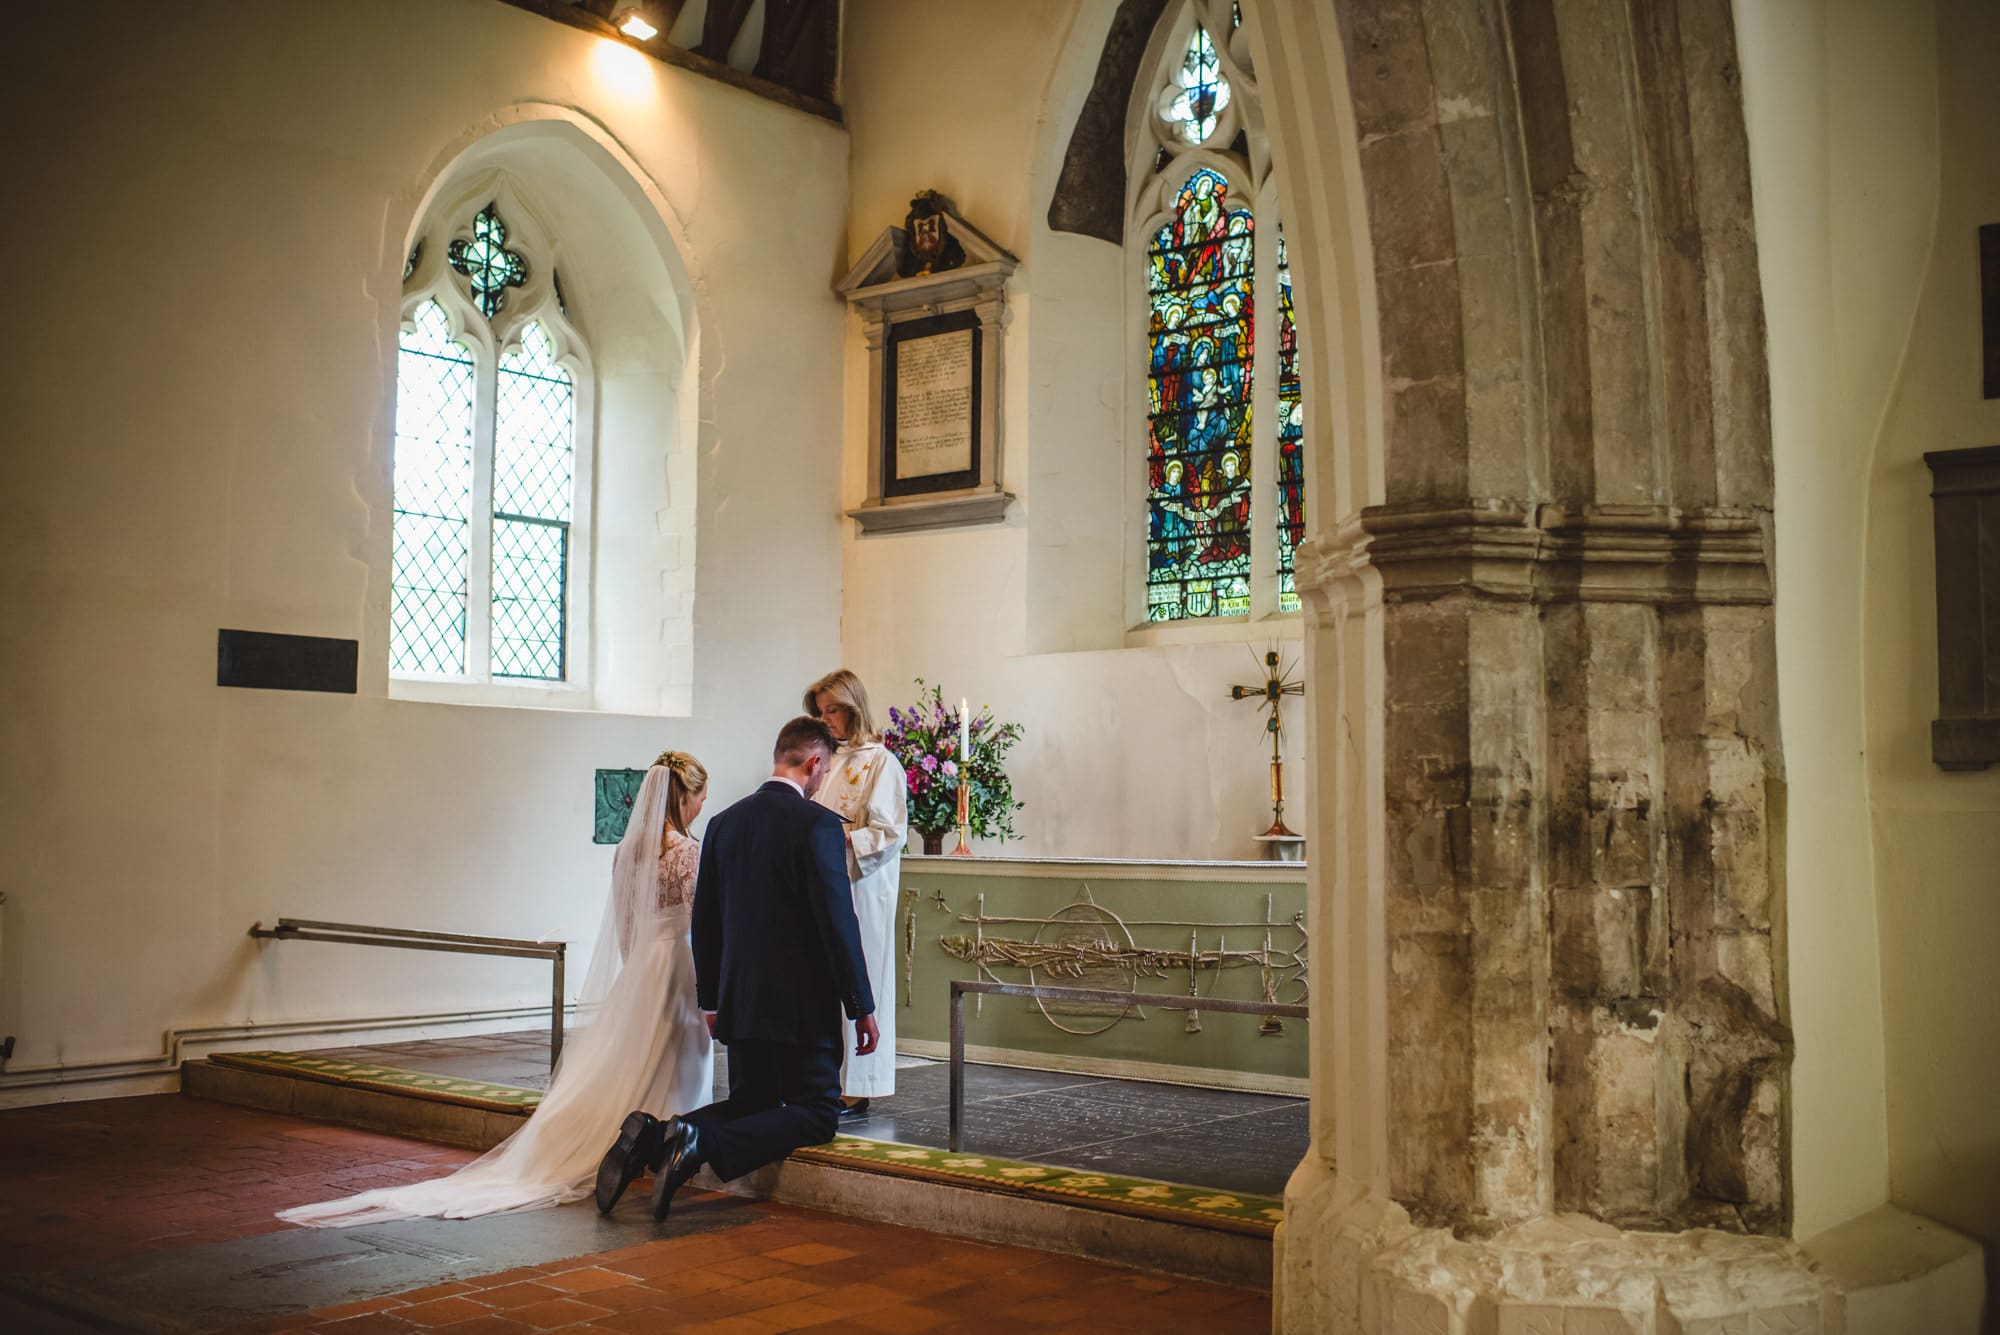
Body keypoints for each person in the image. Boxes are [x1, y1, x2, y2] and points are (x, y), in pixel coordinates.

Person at [277, 752, 715, 1226]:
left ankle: (639, 1134)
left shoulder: (626, 851)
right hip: (678, 962)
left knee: (637, 1055)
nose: (699, 808)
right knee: (681, 1050)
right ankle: (672, 1136)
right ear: (683, 796)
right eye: (698, 799)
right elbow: (704, 924)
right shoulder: (687, 853)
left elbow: (626, 924)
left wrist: (635, 974)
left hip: (644, 966)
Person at [595, 717, 878, 1222]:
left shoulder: (724, 824)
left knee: (754, 1101)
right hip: (800, 1008)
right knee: (817, 1113)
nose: (824, 779)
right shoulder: (818, 825)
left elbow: (705, 923)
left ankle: (655, 1135)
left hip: (740, 1002)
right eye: (826, 769)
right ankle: (693, 1140)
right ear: (814, 764)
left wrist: (713, 1001)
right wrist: (861, 1006)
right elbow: (839, 923)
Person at [803, 668, 907, 1117]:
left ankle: (858, 1085)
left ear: (853, 708)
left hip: (862, 889)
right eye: (821, 712)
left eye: (834, 711)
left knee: (860, 978)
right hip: (823, 885)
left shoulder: (881, 762)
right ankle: (822, 1078)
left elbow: (889, 832)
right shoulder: (824, 760)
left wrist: (842, 840)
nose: (827, 720)